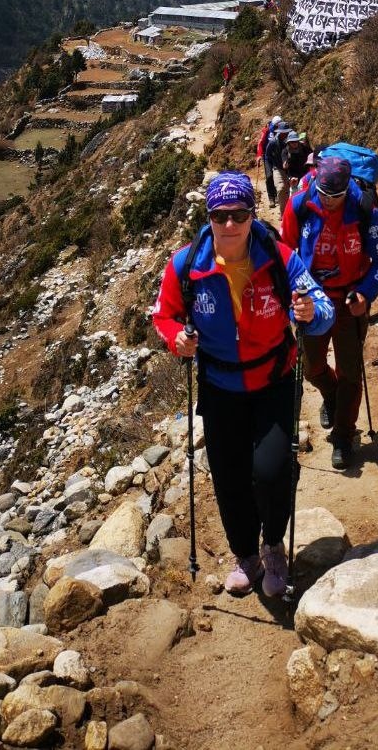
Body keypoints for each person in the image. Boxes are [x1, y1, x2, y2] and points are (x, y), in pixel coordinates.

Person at [153, 172, 334, 597]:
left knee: (271, 472)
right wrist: (175, 338)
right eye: (221, 216)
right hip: (219, 386)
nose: (230, 225)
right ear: (209, 216)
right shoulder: (186, 265)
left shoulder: (279, 257)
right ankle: (246, 556)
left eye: (239, 214)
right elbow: (164, 315)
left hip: (273, 378)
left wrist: (312, 314)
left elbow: (321, 306)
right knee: (229, 477)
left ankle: (273, 545)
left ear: (253, 214)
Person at [281, 157, 378, 469]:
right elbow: (286, 254)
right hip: (311, 300)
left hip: (348, 300)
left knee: (350, 371)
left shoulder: (363, 209)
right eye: (324, 195)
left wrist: (365, 294)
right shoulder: (300, 205)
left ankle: (343, 436)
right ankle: (332, 397)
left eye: (336, 196)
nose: (330, 202)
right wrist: (293, 295)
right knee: (313, 367)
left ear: (347, 189)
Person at [256, 115, 282, 206]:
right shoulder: (266, 130)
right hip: (267, 157)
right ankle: (271, 198)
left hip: (278, 156)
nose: (277, 128)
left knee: (279, 176)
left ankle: (278, 195)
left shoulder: (282, 129)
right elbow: (260, 144)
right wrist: (259, 156)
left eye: (279, 125)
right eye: (276, 126)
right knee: (269, 176)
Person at [265, 122, 292, 212]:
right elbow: (267, 155)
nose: (286, 134)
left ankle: (291, 212)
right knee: (281, 188)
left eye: (287, 132)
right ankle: (283, 213)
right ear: (280, 132)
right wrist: (271, 168)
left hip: (290, 168)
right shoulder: (273, 142)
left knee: (290, 191)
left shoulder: (290, 141)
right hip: (277, 168)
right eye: (284, 132)